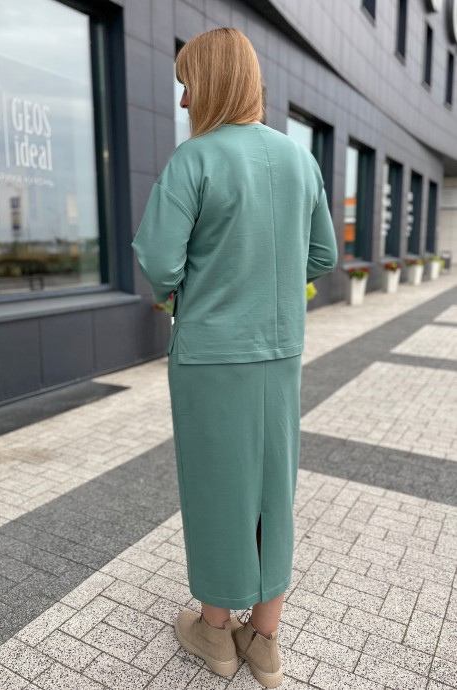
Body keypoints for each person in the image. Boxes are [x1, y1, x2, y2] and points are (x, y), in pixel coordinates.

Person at [132, 27, 338, 689]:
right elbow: (323, 255)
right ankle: (265, 640)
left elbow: (159, 262)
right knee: (275, 488)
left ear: (211, 83)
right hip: (280, 353)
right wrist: (270, 287)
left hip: (211, 357)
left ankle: (215, 632)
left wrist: (185, 293)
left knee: (217, 487)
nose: (183, 97)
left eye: (188, 83)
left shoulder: (193, 160)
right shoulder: (300, 159)